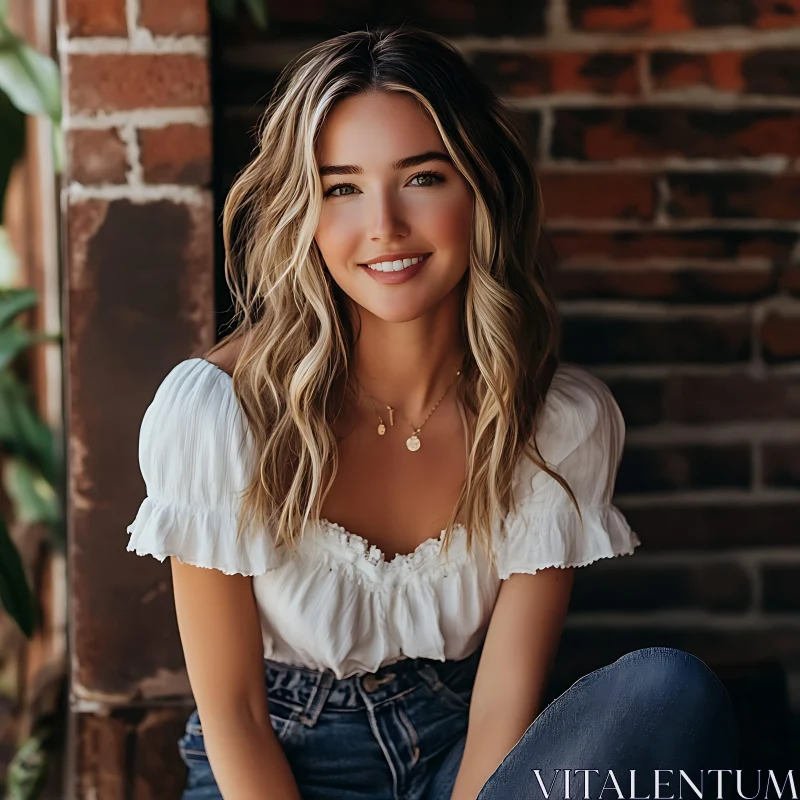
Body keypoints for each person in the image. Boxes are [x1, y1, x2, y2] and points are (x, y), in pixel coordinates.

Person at [125, 24, 740, 800]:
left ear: (479, 188)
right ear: (303, 213)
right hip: (278, 765)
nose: (383, 223)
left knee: (667, 691)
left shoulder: (551, 423)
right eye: (341, 186)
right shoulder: (220, 413)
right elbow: (236, 715)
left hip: (463, 756)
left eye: (422, 177)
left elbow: (501, 714)